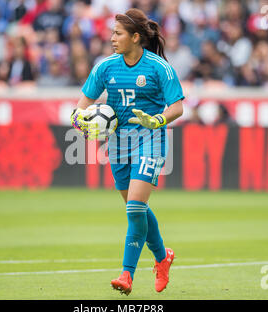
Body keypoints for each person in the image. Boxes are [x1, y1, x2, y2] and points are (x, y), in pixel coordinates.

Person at [70, 8, 184, 295]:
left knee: (135, 206)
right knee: (137, 210)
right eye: (112, 33)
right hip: (118, 144)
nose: (112, 38)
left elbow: (178, 107)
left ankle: (126, 275)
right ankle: (162, 257)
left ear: (135, 37)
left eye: (118, 33)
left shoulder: (159, 67)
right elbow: (79, 108)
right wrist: (82, 123)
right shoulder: (105, 67)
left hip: (151, 139)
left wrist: (157, 120)